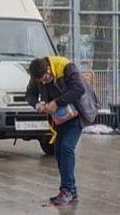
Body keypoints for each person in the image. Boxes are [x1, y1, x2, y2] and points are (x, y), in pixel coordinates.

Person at [26, 56, 89, 206]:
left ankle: (67, 190)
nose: (43, 82)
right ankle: (70, 191)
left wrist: (57, 103)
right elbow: (29, 94)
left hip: (76, 114)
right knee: (58, 150)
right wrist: (37, 104)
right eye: (40, 81)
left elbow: (78, 89)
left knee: (67, 148)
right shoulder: (37, 76)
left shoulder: (65, 67)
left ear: (48, 69)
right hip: (59, 118)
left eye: (45, 79)